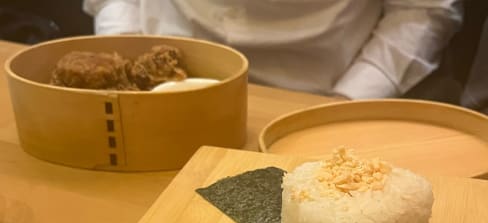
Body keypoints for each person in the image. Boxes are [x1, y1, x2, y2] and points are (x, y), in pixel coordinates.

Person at [83, 0, 462, 99]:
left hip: (315, 95)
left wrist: (347, 101)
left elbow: (422, 10)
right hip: (148, 87)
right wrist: (125, 53)